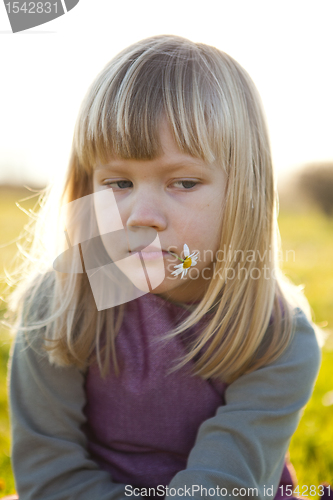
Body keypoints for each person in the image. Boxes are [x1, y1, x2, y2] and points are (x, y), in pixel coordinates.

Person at [3, 34, 329, 500]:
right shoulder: (57, 305)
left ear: (245, 194)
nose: (141, 215)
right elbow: (49, 478)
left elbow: (221, 489)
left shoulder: (276, 333)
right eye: (118, 182)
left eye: (183, 182)